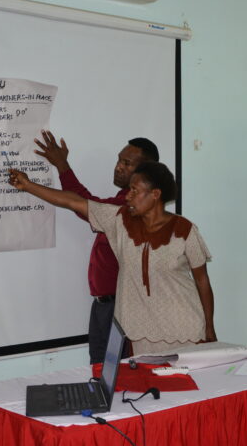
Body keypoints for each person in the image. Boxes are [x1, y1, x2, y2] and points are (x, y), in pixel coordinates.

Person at [9, 161, 217, 355]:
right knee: (153, 390)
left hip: (185, 329)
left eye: (135, 191)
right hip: (140, 332)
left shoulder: (185, 229)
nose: (127, 196)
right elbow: (74, 202)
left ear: (155, 194)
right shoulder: (118, 219)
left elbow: (202, 281)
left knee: (188, 390)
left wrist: (209, 327)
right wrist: (28, 186)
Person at [31, 130, 159, 363]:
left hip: (121, 307)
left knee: (118, 377)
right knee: (100, 372)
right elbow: (86, 204)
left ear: (145, 173)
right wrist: (62, 167)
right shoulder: (122, 200)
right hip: (103, 305)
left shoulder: (129, 209)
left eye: (127, 163)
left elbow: (83, 205)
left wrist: (60, 168)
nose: (118, 167)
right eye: (119, 160)